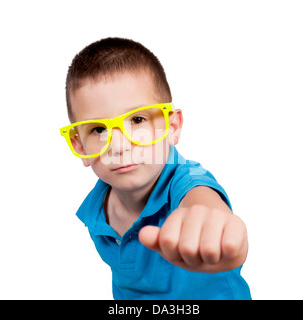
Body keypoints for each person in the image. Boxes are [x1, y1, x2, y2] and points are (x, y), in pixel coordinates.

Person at [60, 37, 251, 299]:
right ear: (80, 146)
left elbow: (205, 205)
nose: (120, 146)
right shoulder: (95, 207)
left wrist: (221, 232)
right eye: (99, 129)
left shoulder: (188, 180)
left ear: (171, 128)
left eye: (137, 119)